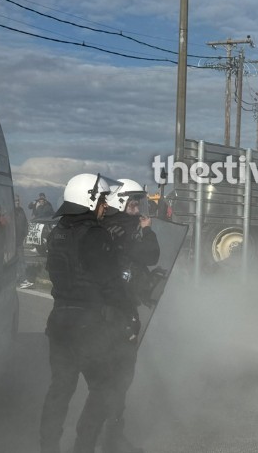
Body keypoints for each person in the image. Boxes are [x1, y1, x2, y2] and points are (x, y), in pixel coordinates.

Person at [39, 173, 123, 453]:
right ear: (88, 199)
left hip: (59, 320)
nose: (104, 207)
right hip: (88, 324)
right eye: (101, 200)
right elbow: (110, 281)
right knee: (104, 388)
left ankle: (48, 447)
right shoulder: (95, 234)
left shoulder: (58, 232)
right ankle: (83, 447)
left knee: (59, 390)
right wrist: (127, 309)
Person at [99, 178, 160, 453]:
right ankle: (106, 436)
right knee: (117, 374)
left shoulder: (116, 227)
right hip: (116, 312)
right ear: (119, 202)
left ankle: (107, 431)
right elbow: (150, 255)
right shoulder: (121, 230)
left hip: (120, 308)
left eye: (139, 202)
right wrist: (148, 232)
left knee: (119, 375)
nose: (138, 208)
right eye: (133, 202)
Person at [14, 194, 32, 289]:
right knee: (17, 261)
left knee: (21, 261)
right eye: (15, 201)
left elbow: (25, 223)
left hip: (20, 241)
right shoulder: (10, 212)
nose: (17, 202)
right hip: (12, 241)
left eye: (18, 201)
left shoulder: (21, 211)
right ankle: (21, 279)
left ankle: (22, 279)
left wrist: (25, 234)